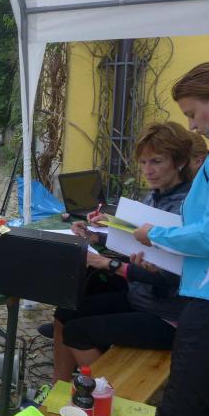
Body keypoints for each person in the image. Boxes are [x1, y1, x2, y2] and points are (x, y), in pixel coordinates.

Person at [52, 122, 193, 383]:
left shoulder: (185, 207)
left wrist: (106, 263)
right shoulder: (155, 196)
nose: (148, 170)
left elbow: (172, 277)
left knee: (77, 332)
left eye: (157, 161)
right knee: (64, 313)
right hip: (139, 299)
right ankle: (54, 390)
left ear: (180, 162)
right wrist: (96, 236)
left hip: (167, 316)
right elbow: (136, 247)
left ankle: (109, 398)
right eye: (143, 162)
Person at [134, 62, 209, 416]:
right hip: (204, 292)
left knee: (181, 413)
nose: (193, 126)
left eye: (193, 113)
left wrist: (157, 236)